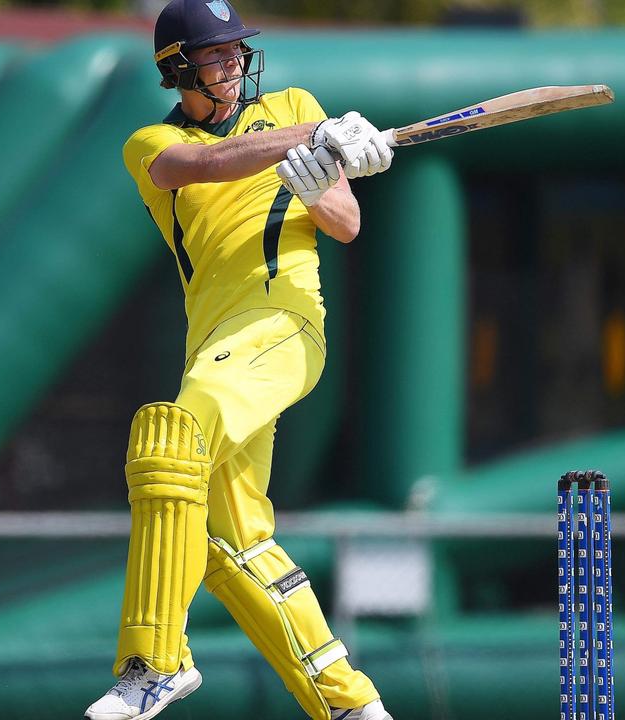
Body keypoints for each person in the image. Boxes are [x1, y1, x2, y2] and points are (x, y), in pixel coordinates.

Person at [85, 1, 394, 718]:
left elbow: (346, 225)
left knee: (173, 437)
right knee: (232, 543)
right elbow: (205, 163)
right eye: (216, 55)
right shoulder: (150, 143)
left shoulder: (288, 105)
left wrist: (322, 183)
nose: (233, 64)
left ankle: (152, 661)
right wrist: (311, 139)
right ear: (178, 70)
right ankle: (350, 706)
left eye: (235, 52)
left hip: (285, 325)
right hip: (218, 354)